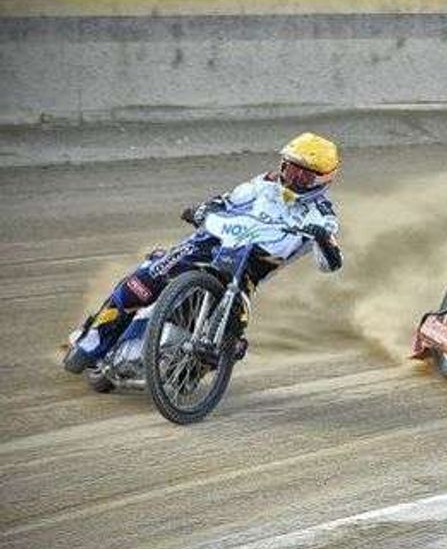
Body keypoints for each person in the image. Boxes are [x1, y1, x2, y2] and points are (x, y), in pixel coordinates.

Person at [64, 133, 344, 374]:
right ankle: (91, 341)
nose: (294, 176)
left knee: (232, 335)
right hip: (209, 243)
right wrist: (203, 210)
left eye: (305, 174)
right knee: (144, 281)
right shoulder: (264, 183)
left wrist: (322, 239)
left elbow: (330, 264)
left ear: (322, 180)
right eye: (291, 167)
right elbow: (226, 200)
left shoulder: (323, 215)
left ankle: (190, 371)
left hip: (247, 271)